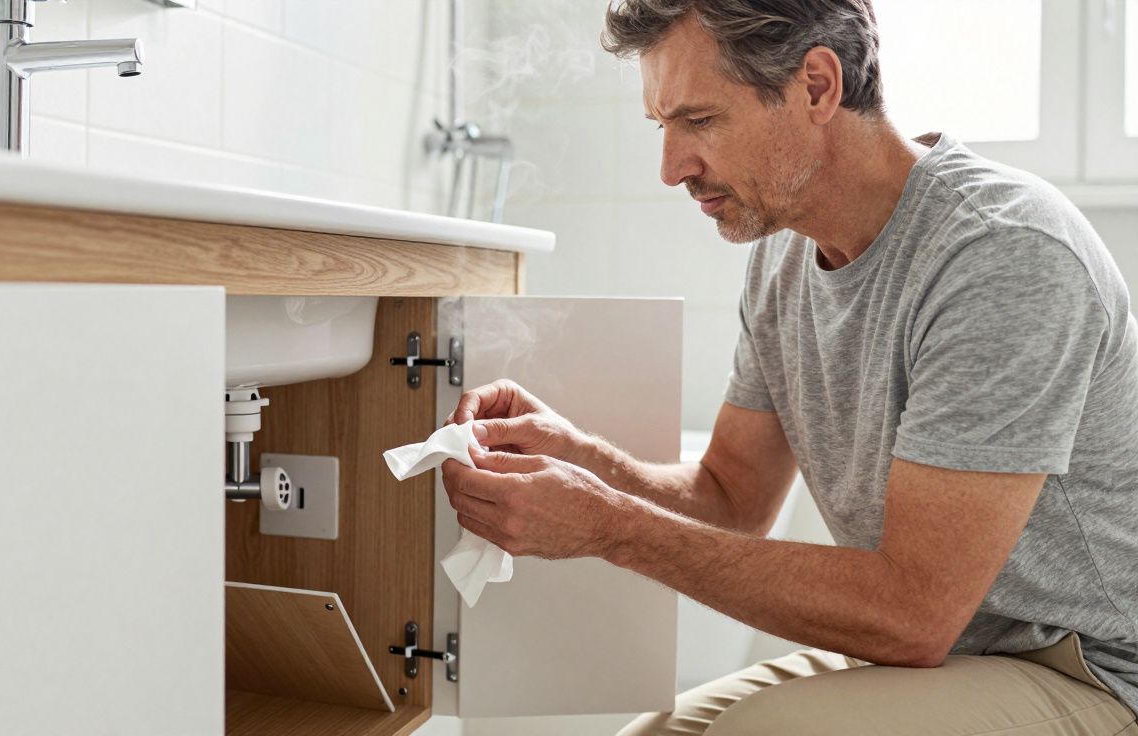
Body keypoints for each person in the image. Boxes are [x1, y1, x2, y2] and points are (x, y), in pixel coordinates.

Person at [438, 1, 1138, 733]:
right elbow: (730, 498)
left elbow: (913, 614)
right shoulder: (782, 254)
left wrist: (609, 527)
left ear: (816, 86)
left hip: (1088, 670)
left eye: (700, 121)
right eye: (663, 126)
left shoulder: (1001, 255)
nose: (672, 168)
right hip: (935, 654)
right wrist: (578, 456)